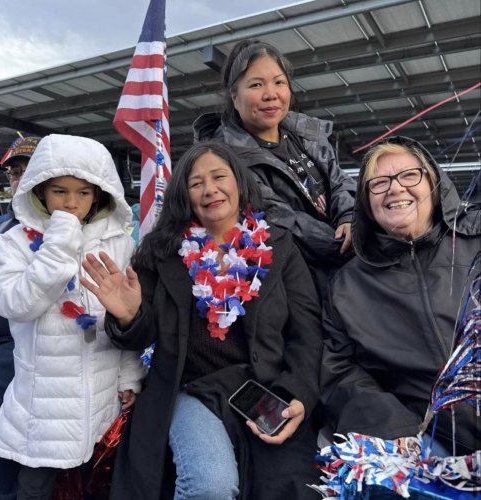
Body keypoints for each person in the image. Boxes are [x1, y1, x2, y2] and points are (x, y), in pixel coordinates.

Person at [80, 142, 324, 499]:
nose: (210, 189)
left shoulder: (281, 247)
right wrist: (129, 315)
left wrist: (299, 395)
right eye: (196, 183)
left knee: (292, 488)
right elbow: (139, 334)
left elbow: (307, 334)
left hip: (265, 392)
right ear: (185, 196)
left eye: (219, 177)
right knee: (210, 484)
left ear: (239, 183)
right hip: (189, 390)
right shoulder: (160, 252)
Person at [0, 134, 145, 500]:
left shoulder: (120, 244)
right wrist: (58, 243)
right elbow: (15, 304)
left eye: (83, 193)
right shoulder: (14, 243)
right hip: (41, 409)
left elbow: (124, 315)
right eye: (60, 191)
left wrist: (130, 375)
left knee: (92, 486)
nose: (71, 203)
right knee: (36, 488)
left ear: (99, 194)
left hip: (101, 399)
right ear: (40, 191)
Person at [320, 136, 480, 455]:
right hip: (429, 439)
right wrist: (392, 425)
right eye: (379, 183)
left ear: (433, 186)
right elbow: (339, 371)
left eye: (409, 175)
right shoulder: (347, 286)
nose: (395, 189)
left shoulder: (475, 242)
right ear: (366, 202)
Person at [193, 38, 356, 295]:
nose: (271, 94)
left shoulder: (307, 136)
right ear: (234, 96)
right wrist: (353, 245)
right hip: (297, 284)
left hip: (343, 266)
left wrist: (349, 217)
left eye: (279, 82)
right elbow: (281, 220)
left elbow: (339, 181)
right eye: (256, 85)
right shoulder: (225, 161)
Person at [0, 136, 40, 500]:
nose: (18, 178)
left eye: (27, 170)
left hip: (18, 342)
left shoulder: (59, 224)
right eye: (14, 173)